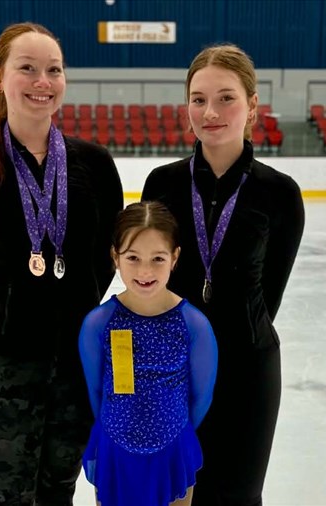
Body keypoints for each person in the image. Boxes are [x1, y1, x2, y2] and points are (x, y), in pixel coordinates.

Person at [0, 22, 124, 505]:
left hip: (78, 361)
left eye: (53, 70)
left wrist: (77, 310)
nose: (43, 82)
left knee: (58, 489)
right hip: (1, 367)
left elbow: (109, 254)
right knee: (10, 494)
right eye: (28, 68)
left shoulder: (95, 164)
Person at [142, 44, 304, 506]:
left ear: (253, 105)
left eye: (226, 98)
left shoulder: (280, 194)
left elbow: (267, 296)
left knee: (236, 496)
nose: (210, 112)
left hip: (247, 372)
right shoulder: (162, 184)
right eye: (198, 99)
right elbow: (149, 278)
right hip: (170, 368)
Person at [78, 201, 218, 506]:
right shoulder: (98, 324)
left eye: (157, 258)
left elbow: (201, 396)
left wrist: (168, 430)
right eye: (133, 257)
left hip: (173, 453)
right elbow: (95, 392)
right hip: (115, 453)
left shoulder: (193, 325)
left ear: (175, 258)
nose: (145, 270)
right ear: (115, 257)